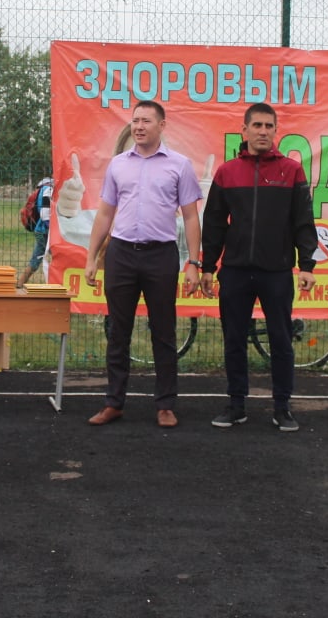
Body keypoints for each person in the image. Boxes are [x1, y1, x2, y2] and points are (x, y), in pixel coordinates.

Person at [84, 100, 202, 429]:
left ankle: (165, 405)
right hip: (121, 254)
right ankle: (113, 403)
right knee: (117, 331)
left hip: (160, 256)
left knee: (163, 332)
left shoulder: (179, 165)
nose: (138, 126)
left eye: (146, 121)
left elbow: (191, 217)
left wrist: (194, 262)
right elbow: (105, 213)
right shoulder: (118, 165)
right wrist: (91, 257)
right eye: (135, 120)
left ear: (161, 126)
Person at [200, 103, 318, 432]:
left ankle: (282, 407)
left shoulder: (292, 170)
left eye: (269, 126)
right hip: (235, 271)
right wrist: (208, 266)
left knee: (281, 340)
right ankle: (236, 405)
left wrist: (307, 264)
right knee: (234, 340)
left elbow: (303, 221)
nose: (263, 131)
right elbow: (214, 223)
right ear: (245, 130)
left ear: (276, 131)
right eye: (257, 125)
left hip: (277, 272)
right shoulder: (227, 172)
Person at [16, 176, 54, 289]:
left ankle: (20, 283)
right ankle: (55, 284)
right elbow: (45, 214)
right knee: (56, 258)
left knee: (36, 258)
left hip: (40, 230)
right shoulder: (48, 189)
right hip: (47, 231)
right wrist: (52, 228)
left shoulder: (42, 190)